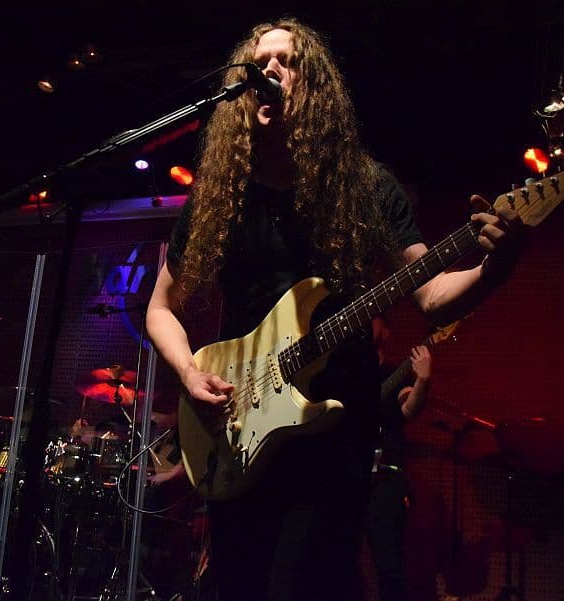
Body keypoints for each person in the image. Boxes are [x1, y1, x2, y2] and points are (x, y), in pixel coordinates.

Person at [144, 17, 523, 601]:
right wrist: (190, 372)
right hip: (237, 424)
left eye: (287, 61)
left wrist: (493, 270)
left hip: (333, 434)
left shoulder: (364, 186)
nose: (269, 70)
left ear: (315, 86)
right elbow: (160, 307)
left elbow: (431, 294)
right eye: (259, 62)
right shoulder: (221, 192)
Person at [365, 316, 433, 601]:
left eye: (373, 319)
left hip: (384, 478)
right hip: (347, 477)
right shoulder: (347, 378)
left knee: (389, 567)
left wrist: (422, 380)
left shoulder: (395, 374)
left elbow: (408, 408)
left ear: (386, 332)